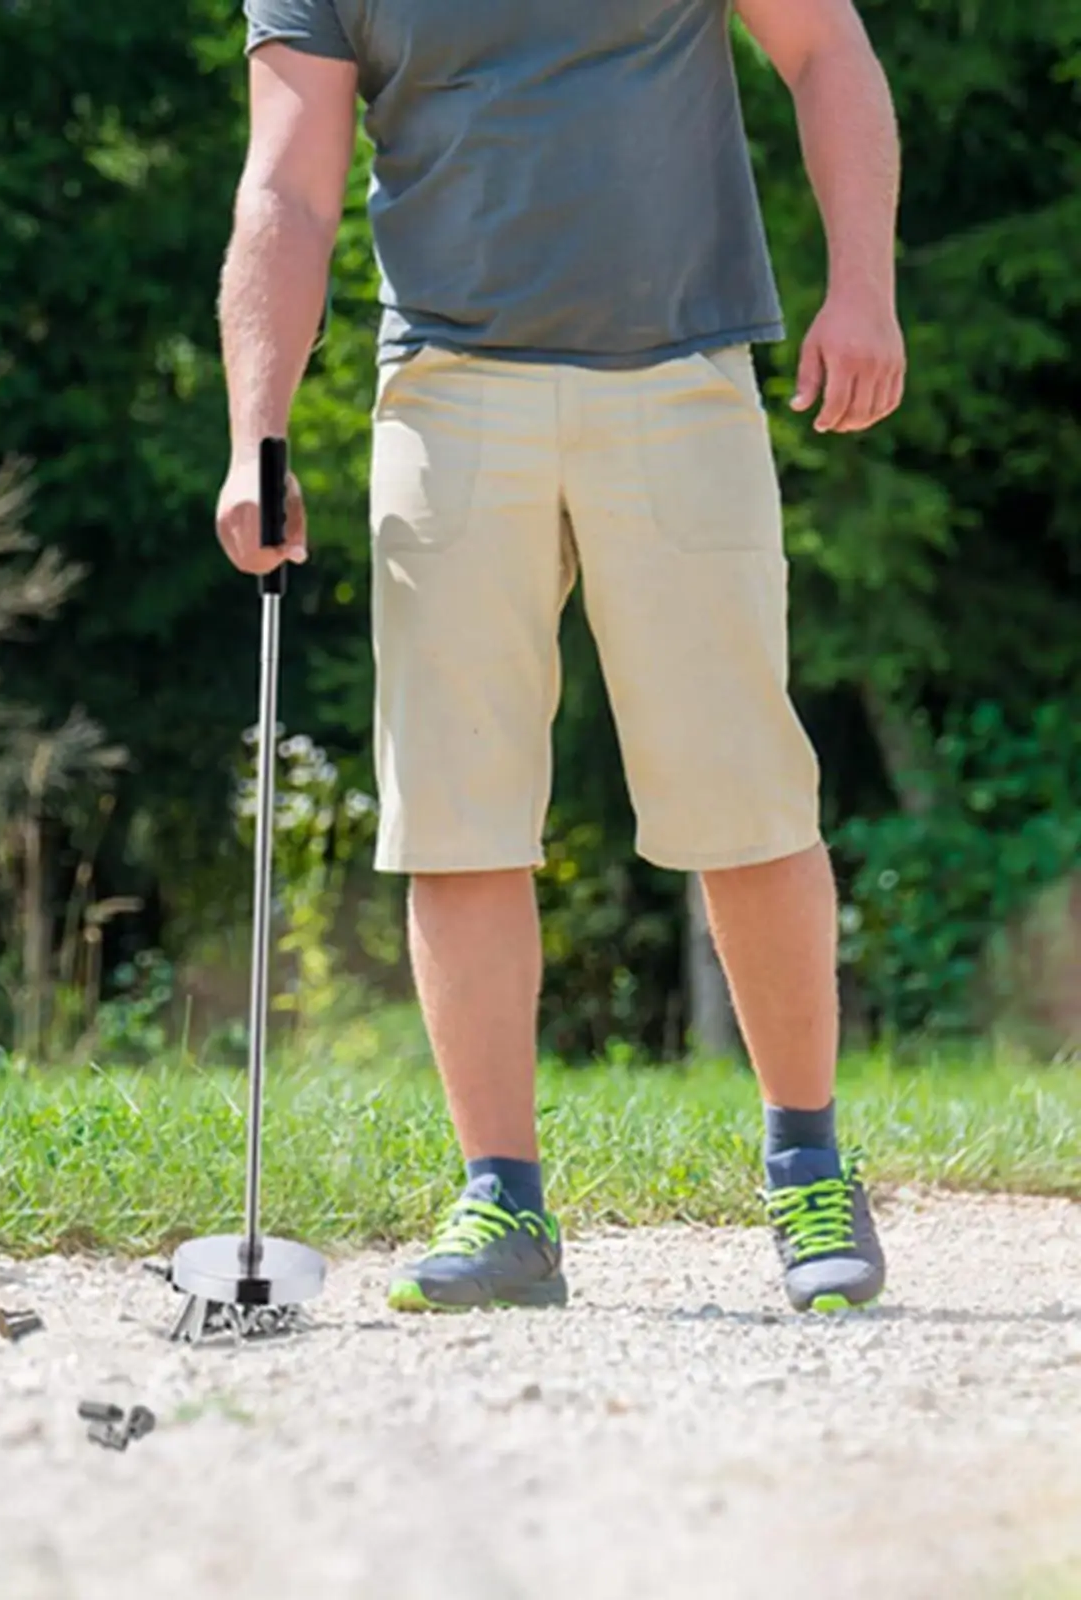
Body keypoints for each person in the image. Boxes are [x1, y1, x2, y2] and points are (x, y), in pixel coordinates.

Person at [214, 0, 905, 1314]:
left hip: (682, 373)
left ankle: (808, 1161)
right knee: (456, 809)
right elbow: (286, 188)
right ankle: (503, 1199)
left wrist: (861, 289)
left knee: (744, 794)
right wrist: (260, 428)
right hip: (449, 388)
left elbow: (829, 51)